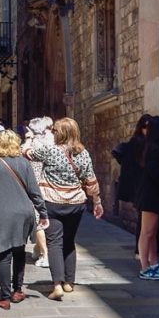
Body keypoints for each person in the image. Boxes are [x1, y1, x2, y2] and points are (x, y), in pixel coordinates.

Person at [25, 117, 103, 300]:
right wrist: (97, 201)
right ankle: (69, 282)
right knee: (69, 241)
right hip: (76, 204)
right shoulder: (83, 153)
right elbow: (90, 180)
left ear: (60, 133)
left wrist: (30, 138)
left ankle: (57, 285)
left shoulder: (50, 151)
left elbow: (27, 153)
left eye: (55, 131)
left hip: (52, 202)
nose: (52, 133)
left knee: (54, 242)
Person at [0, 130, 48, 310]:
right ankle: (18, 290)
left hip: (2, 212)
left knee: (4, 254)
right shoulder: (24, 163)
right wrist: (43, 213)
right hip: (24, 213)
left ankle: (5, 297)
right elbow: (34, 191)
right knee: (19, 250)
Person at [135, 115, 159, 278]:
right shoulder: (154, 150)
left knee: (153, 231)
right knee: (147, 232)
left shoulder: (152, 148)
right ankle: (144, 266)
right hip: (150, 194)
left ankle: (154, 262)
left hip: (152, 193)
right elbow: (154, 172)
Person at [22, 116, 54, 267]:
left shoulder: (33, 145)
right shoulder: (51, 141)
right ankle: (37, 249)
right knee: (45, 219)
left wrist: (28, 138)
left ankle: (46, 255)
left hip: (35, 188)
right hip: (49, 187)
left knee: (38, 222)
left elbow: (24, 153)